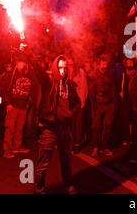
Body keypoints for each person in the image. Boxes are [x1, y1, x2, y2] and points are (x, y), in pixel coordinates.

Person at [34, 55, 81, 194]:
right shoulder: (49, 81)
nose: (63, 71)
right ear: (55, 67)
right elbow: (38, 71)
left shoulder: (70, 85)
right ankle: (39, 188)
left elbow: (77, 103)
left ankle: (67, 185)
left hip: (65, 128)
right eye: (60, 67)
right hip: (49, 127)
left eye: (65, 68)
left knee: (66, 160)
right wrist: (28, 54)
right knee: (43, 162)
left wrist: (71, 113)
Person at [0, 54, 39, 158]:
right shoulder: (10, 74)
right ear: (17, 63)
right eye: (20, 62)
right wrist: (8, 103)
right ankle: (6, 150)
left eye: (24, 63)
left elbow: (34, 86)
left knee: (19, 128)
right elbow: (3, 89)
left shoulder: (29, 73)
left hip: (23, 105)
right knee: (10, 127)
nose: (22, 65)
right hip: (12, 104)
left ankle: (16, 147)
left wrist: (30, 102)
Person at [89, 54, 115, 157]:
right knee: (96, 127)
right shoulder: (94, 75)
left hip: (109, 104)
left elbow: (113, 89)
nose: (105, 64)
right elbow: (91, 92)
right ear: (99, 64)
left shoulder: (110, 74)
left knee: (107, 127)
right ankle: (96, 147)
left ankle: (104, 147)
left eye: (106, 62)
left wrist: (114, 103)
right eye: (103, 62)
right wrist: (94, 106)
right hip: (98, 105)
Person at [69, 58, 88, 154]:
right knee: (71, 124)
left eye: (70, 59)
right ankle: (71, 143)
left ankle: (77, 144)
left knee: (78, 124)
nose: (69, 61)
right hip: (70, 103)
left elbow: (84, 86)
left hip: (79, 102)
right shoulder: (67, 71)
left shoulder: (80, 72)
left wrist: (83, 101)